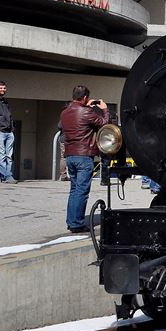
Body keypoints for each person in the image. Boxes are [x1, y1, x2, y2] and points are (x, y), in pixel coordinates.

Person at [60, 85, 109, 233]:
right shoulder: (86, 112)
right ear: (86, 97)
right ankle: (77, 224)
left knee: (74, 190)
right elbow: (104, 123)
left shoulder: (65, 112)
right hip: (84, 156)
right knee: (81, 191)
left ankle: (71, 221)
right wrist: (105, 109)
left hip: (70, 155)